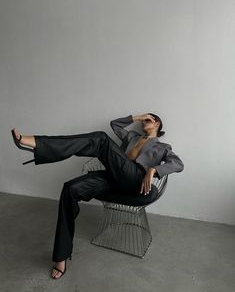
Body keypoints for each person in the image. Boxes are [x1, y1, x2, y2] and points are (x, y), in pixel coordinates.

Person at [11, 113, 184, 279]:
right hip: (115, 176)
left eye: (149, 119)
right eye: (143, 120)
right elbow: (114, 124)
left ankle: (39, 144)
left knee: (101, 138)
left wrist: (154, 170)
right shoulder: (132, 136)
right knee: (70, 189)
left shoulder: (162, 147)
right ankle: (61, 256)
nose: (143, 122)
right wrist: (136, 117)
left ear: (157, 124)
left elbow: (178, 163)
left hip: (135, 179)